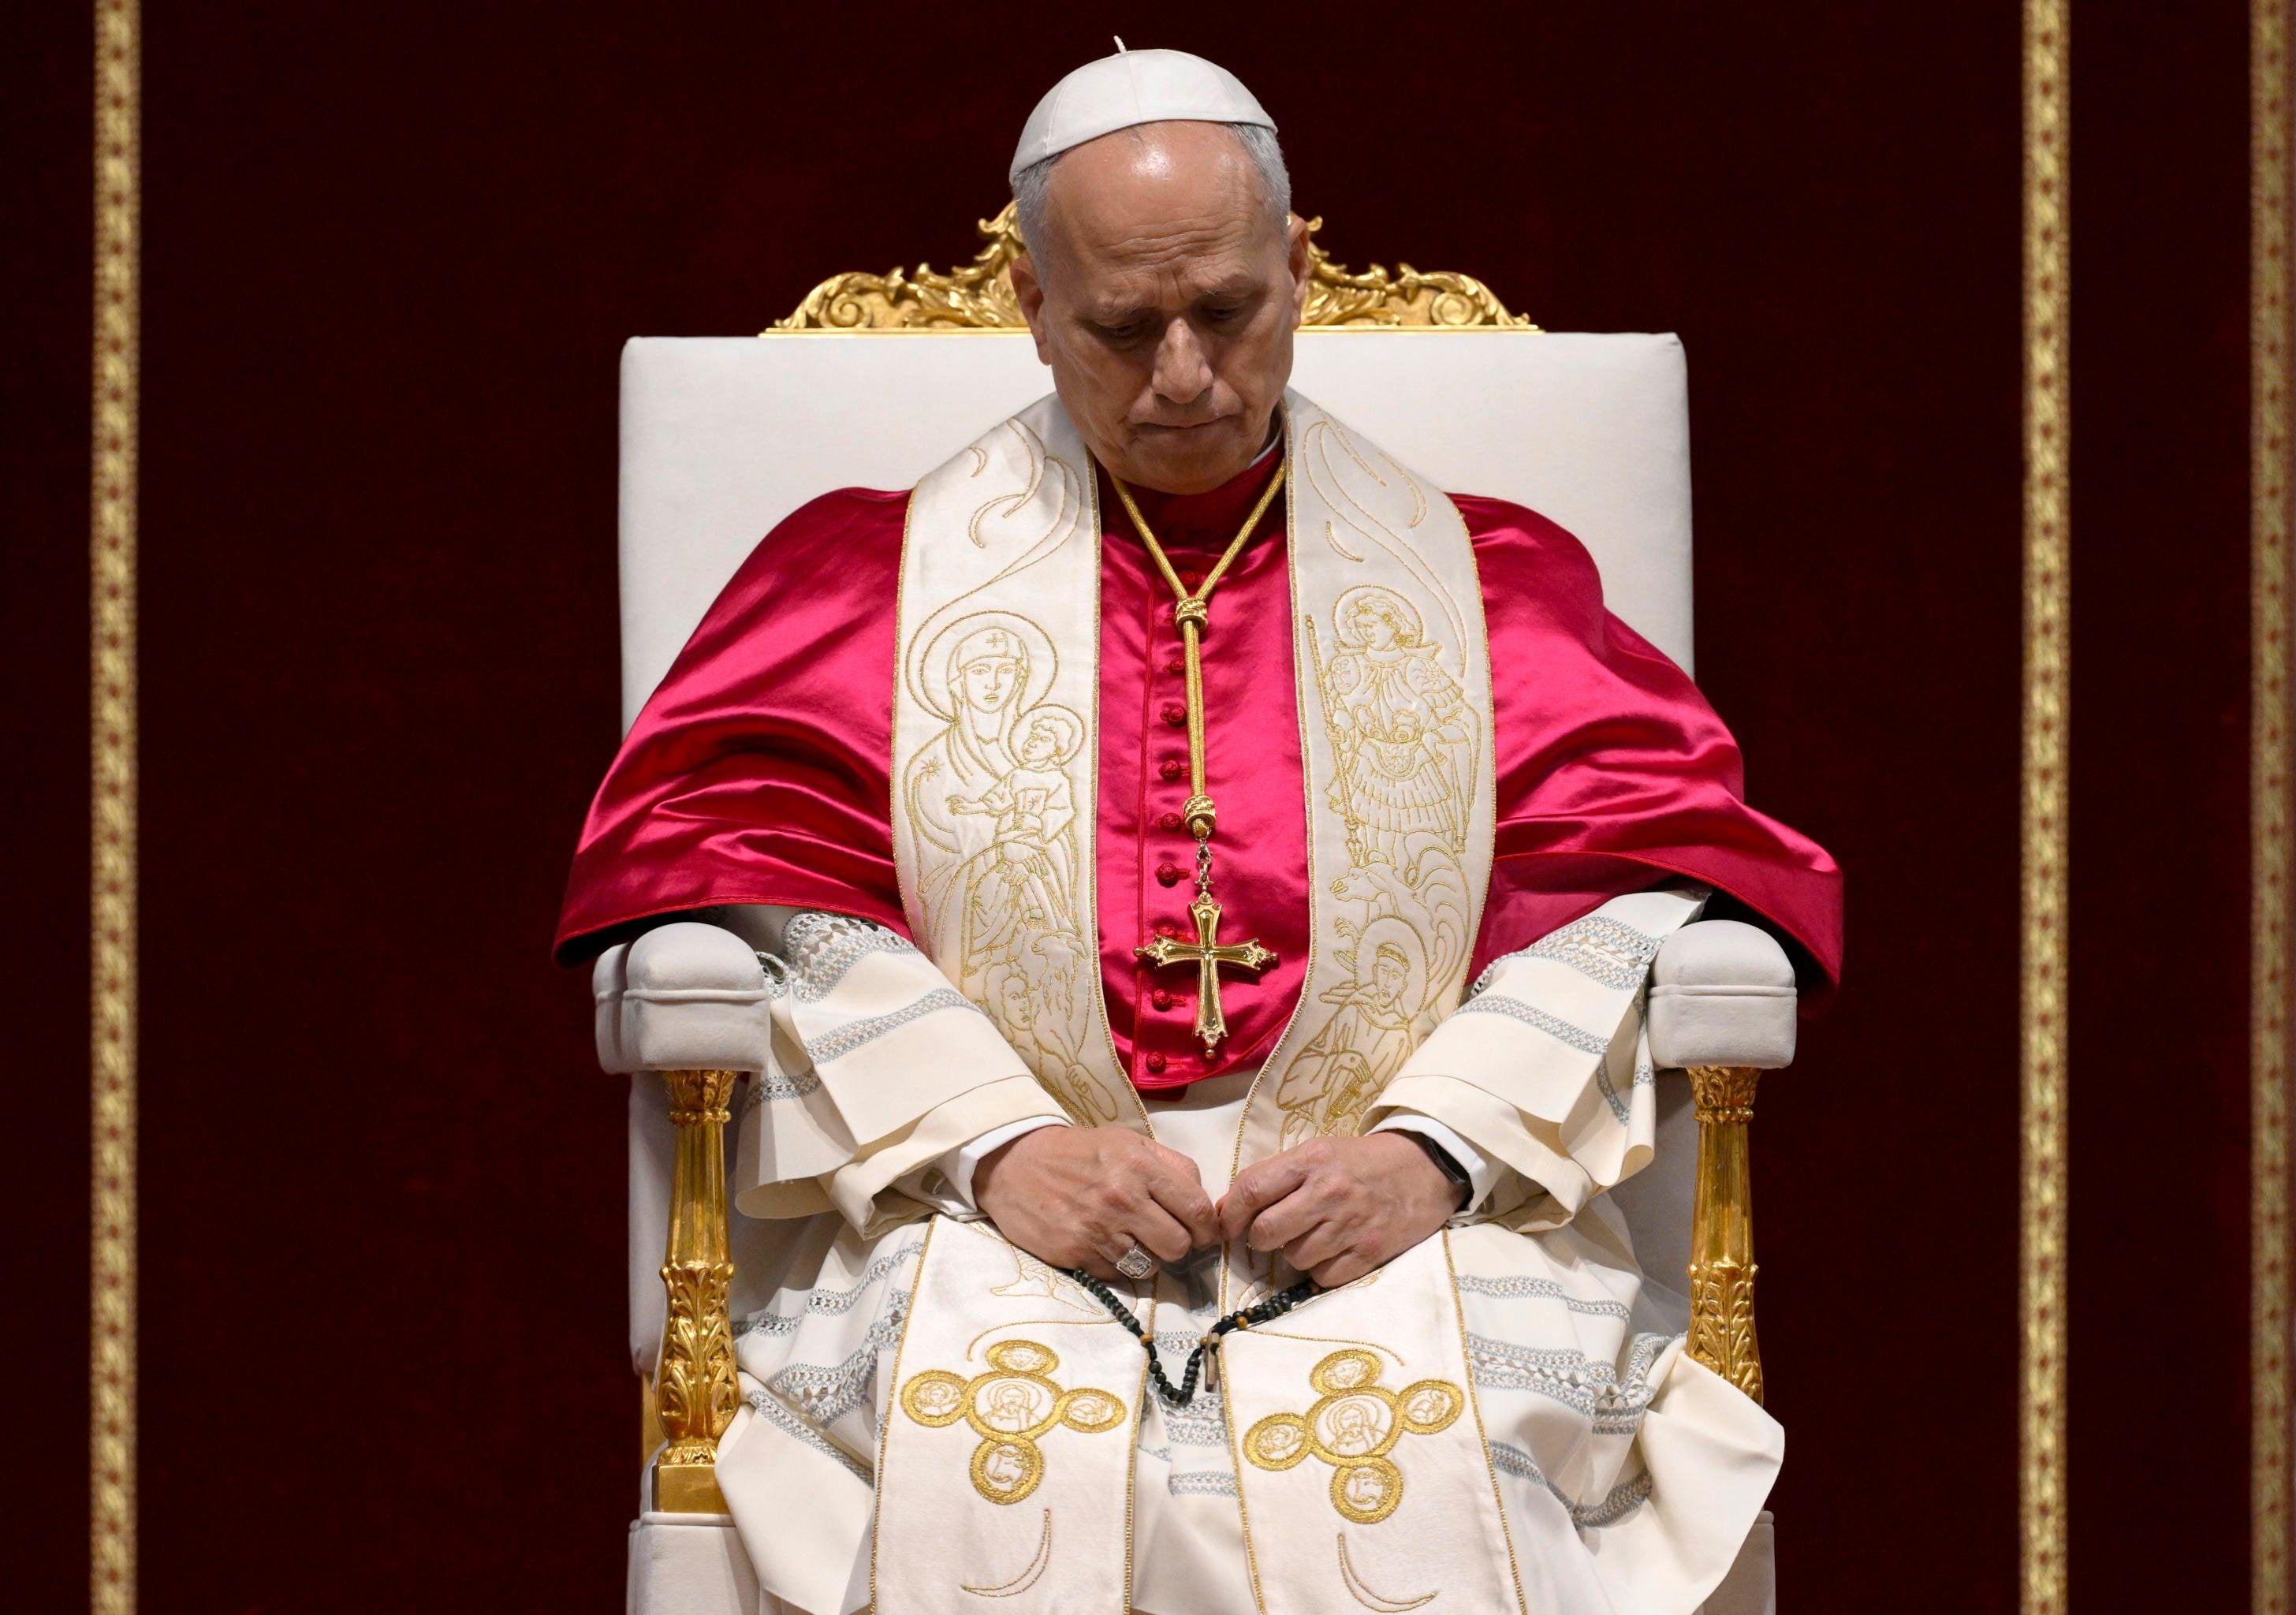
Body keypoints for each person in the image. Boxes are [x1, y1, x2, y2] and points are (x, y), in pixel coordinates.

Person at [559, 44, 1842, 1615]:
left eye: (1226, 311)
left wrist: (1430, 1152)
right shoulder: (862, 590)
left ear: (1298, 269)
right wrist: (995, 1142)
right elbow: (721, 854)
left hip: (1384, 1195)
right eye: (1119, 326)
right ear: (1031, 305)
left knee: (1437, 1453)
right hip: (992, 1207)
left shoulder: (1486, 588)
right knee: (985, 1447)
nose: (1184, 376)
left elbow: (1654, 866)